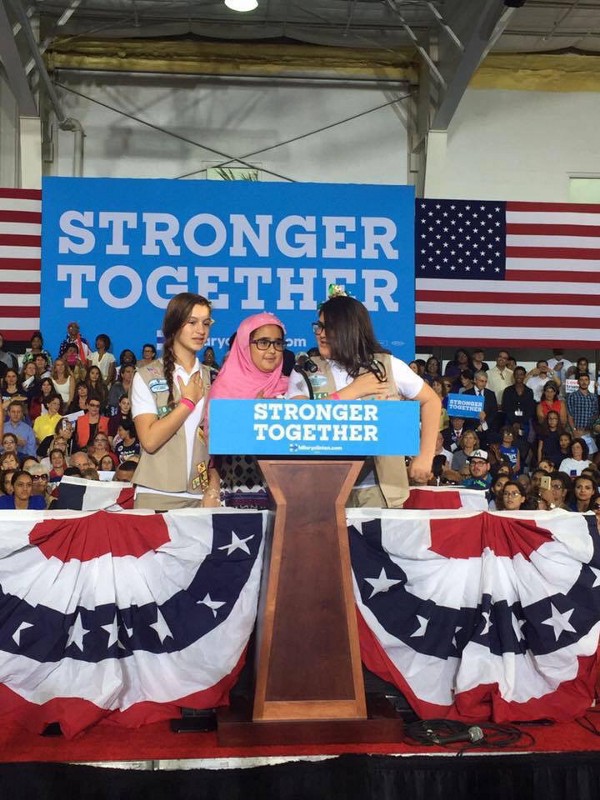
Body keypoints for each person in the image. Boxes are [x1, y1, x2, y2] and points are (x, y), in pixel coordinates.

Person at [287, 291, 440, 507]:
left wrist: (425, 456)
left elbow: (431, 401)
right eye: (318, 326)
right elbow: (298, 421)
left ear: (350, 329)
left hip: (380, 488)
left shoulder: (387, 366)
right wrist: (353, 391)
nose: (320, 334)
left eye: (328, 327)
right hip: (323, 490)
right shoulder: (304, 371)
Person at [131, 292, 220, 510]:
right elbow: (150, 440)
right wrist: (187, 403)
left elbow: (221, 448)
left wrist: (214, 488)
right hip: (156, 493)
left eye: (206, 323)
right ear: (174, 324)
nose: (201, 330)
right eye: (192, 322)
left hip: (202, 497)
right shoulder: (146, 375)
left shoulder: (216, 378)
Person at [208, 312, 292, 508]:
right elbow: (214, 444)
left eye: (278, 343)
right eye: (263, 342)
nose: (272, 350)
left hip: (287, 490)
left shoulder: (292, 387)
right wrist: (254, 416)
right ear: (245, 345)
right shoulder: (224, 387)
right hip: (239, 488)